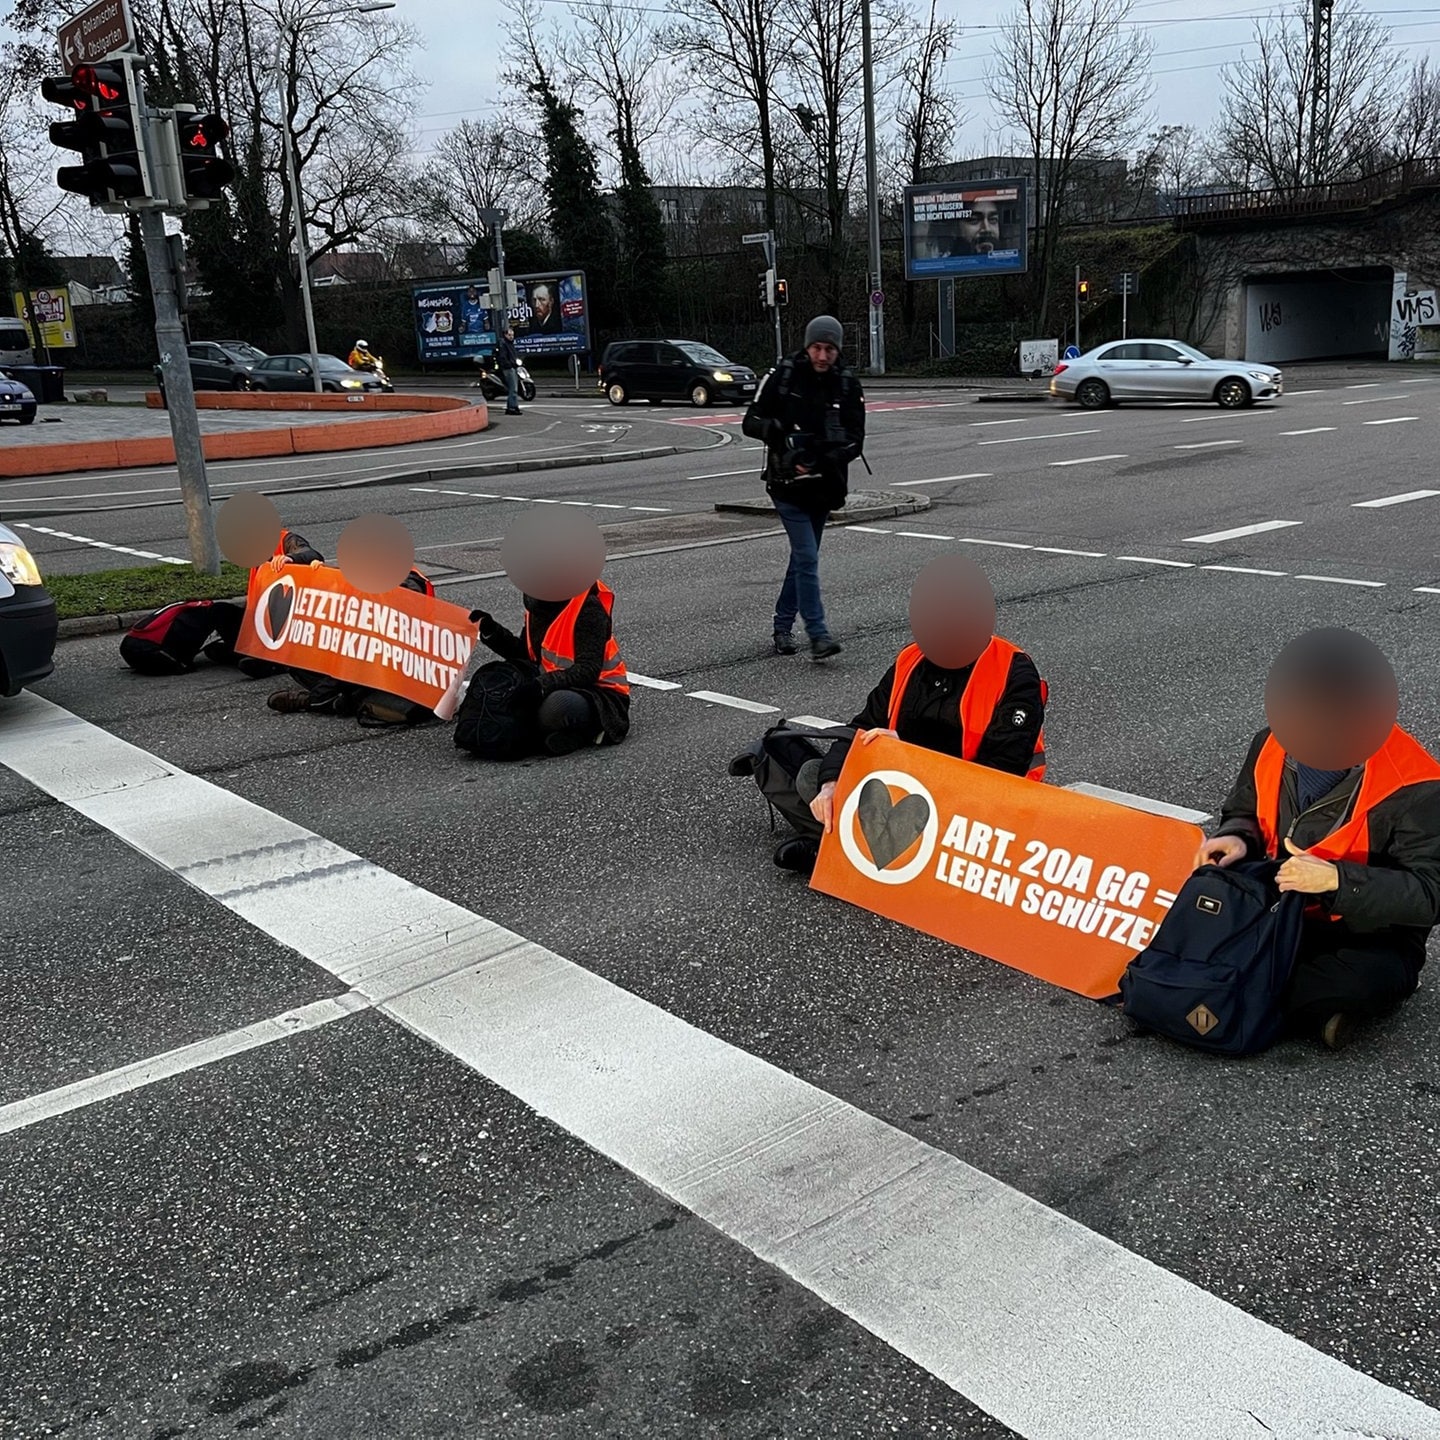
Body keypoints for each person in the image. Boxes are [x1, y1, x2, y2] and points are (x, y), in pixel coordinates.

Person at [1196, 628, 1440, 1050]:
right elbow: (1243, 810)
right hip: (1277, 906)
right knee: (1189, 920)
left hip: (1364, 931)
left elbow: (1430, 894)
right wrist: (1236, 837)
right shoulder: (1269, 742)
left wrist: (1337, 882)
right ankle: (1277, 1003)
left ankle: (1221, 993)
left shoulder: (1418, 783)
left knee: (1361, 982)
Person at [762, 557, 1045, 875]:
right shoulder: (909, 659)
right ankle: (858, 848)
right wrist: (831, 783)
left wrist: (906, 757)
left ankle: (833, 848)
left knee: (945, 820)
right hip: (906, 787)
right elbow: (863, 726)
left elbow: (1002, 771)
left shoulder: (1014, 670)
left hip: (980, 801)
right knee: (814, 776)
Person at [741, 314, 865, 661]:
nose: (822, 356)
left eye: (829, 349)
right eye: (816, 347)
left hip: (824, 488)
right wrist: (780, 434)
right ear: (806, 345)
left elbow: (857, 440)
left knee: (802, 560)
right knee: (808, 557)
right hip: (787, 486)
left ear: (838, 350)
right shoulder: (783, 377)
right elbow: (750, 422)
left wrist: (826, 457)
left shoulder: (847, 385)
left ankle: (782, 626)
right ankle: (818, 633)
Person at [463, 581, 630, 756]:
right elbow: (526, 655)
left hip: (600, 695)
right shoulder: (538, 605)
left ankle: (590, 731)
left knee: (555, 706)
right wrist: (492, 632)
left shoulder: (588, 608)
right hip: (551, 682)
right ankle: (545, 737)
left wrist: (540, 686)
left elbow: (588, 670)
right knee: (497, 689)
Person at [496, 325, 522, 416]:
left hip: (512, 367)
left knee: (514, 388)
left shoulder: (510, 344)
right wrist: (510, 365)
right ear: (505, 335)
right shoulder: (504, 345)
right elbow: (503, 358)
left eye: (512, 335)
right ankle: (512, 407)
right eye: (510, 335)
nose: (511, 337)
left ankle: (512, 406)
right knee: (513, 389)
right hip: (509, 369)